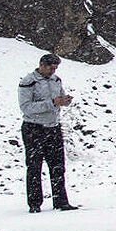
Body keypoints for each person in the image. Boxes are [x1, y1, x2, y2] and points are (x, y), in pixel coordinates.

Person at [18, 53, 78, 212]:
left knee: (58, 165)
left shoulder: (56, 80)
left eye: (56, 68)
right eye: (51, 68)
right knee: (34, 166)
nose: (53, 71)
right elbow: (26, 107)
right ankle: (35, 204)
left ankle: (61, 201)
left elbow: (60, 99)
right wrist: (51, 103)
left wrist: (65, 101)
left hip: (53, 127)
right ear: (42, 65)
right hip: (33, 128)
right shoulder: (28, 82)